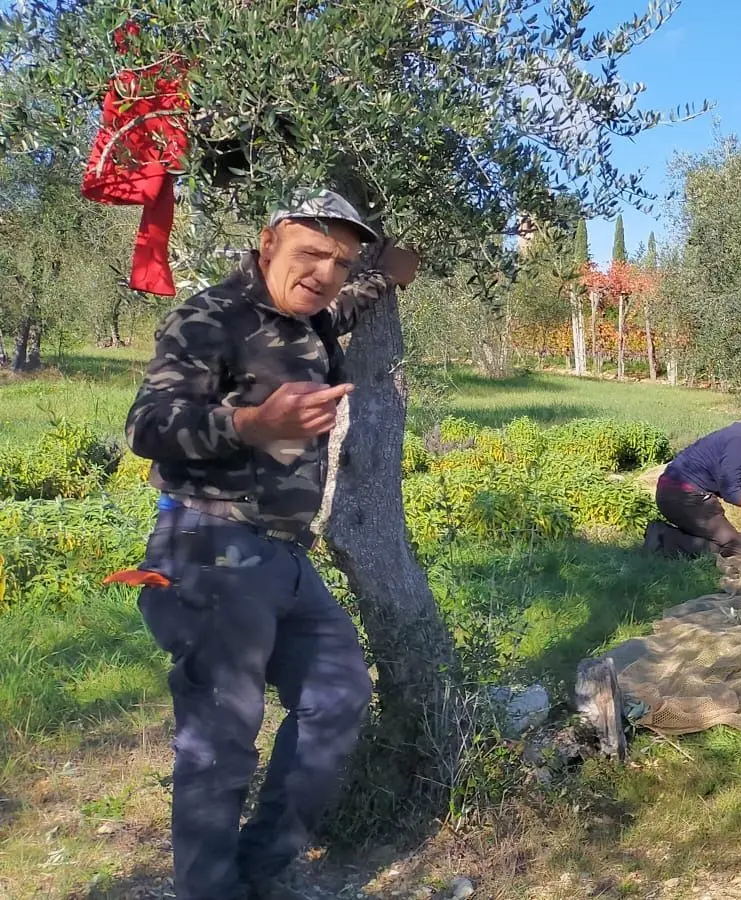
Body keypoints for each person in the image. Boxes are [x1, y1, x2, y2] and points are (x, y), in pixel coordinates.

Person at [122, 189, 420, 900]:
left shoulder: (312, 316)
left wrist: (387, 276)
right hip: (208, 543)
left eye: (340, 263)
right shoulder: (210, 317)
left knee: (339, 695)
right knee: (222, 738)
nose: (324, 273)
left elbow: (339, 302)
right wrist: (252, 423)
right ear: (267, 244)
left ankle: (259, 869)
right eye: (311, 254)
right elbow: (148, 426)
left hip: (284, 556)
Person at [649, 396, 741, 559]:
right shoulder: (739, 441)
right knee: (734, 547)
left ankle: (668, 537)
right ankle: (663, 537)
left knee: (719, 543)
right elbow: (732, 494)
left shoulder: (740, 435)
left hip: (673, 493)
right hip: (685, 497)